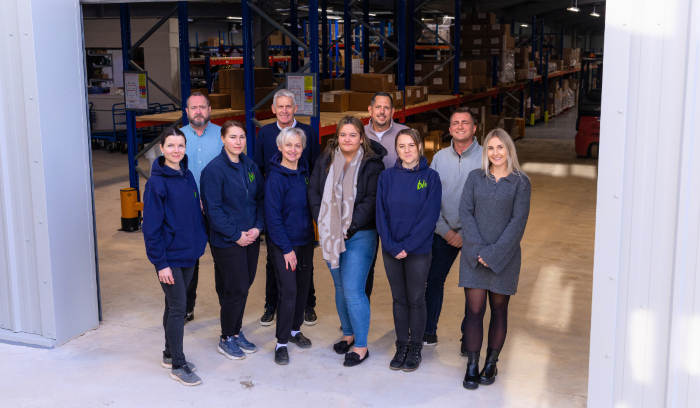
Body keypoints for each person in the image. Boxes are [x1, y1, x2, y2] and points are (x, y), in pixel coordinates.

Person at [308, 116, 387, 367]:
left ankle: (361, 346)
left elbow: (371, 200)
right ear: (337, 137)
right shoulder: (326, 160)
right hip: (330, 233)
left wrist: (347, 226)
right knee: (340, 287)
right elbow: (314, 191)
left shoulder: (373, 164)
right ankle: (348, 334)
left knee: (353, 289)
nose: (347, 139)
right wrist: (323, 221)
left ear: (361, 138)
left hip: (360, 233)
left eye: (353, 135)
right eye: (343, 134)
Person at [459, 129, 531, 390]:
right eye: (491, 147)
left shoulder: (521, 182)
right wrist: (480, 250)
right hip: (474, 256)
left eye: (501, 147)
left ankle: (491, 363)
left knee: (499, 311)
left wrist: (493, 254)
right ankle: (472, 365)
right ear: (485, 151)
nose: (496, 153)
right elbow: (465, 212)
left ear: (509, 149)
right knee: (474, 311)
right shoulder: (475, 177)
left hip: (505, 258)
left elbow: (518, 223)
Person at [142, 128, 207, 386]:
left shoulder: (187, 175)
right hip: (169, 257)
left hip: (189, 252)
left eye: (180, 145)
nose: (176, 150)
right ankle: (179, 365)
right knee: (179, 306)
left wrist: (200, 238)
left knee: (172, 305)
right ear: (161, 148)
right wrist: (161, 263)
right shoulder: (156, 183)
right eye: (171, 145)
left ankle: (169, 354)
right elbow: (151, 228)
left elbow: (195, 212)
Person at [376, 129, 442, 372]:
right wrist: (392, 245)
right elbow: (380, 214)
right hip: (391, 249)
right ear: (396, 149)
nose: (406, 150)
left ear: (419, 147)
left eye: (411, 145)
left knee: (416, 299)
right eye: (401, 146)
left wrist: (407, 245)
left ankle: (415, 347)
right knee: (399, 299)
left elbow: (429, 217)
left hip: (418, 250)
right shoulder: (386, 177)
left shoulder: (431, 177)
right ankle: (401, 344)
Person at [254, 89, 321, 327]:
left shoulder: (308, 132)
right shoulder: (265, 133)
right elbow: (259, 168)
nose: (284, 111)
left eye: (288, 106)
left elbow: (315, 167)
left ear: (295, 108)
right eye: (280, 106)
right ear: (273, 109)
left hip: (301, 204)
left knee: (305, 263)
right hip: (276, 203)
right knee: (274, 261)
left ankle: (308, 305)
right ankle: (271, 304)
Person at [200, 120, 264, 361]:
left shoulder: (250, 165)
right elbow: (213, 211)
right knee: (236, 288)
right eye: (232, 137)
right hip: (227, 241)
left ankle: (236, 332)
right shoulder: (214, 170)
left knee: (243, 286)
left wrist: (257, 228)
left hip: (251, 237)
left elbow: (260, 200)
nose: (238, 142)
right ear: (223, 139)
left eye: (242, 137)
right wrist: (236, 235)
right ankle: (226, 337)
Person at [423, 107, 481, 348]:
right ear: (449, 129)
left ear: (474, 128)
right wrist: (445, 231)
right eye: (455, 123)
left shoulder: (486, 157)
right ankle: (428, 331)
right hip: (443, 231)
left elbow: (489, 203)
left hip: (475, 234)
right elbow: (431, 198)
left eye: (465, 122)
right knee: (433, 280)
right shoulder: (439, 158)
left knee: (474, 286)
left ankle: (469, 336)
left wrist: (465, 234)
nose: (460, 126)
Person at [264, 127, 316, 365]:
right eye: (288, 145)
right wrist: (286, 249)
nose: (293, 150)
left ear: (303, 148)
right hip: (284, 244)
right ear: (280, 147)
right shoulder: (275, 178)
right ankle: (281, 343)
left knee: (303, 289)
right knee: (289, 291)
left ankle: (295, 330)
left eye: (297, 145)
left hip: (306, 241)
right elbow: (273, 219)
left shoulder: (305, 172)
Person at [181, 92, 223, 324]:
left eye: (202, 107)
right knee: (189, 261)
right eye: (193, 107)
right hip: (188, 211)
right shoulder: (178, 137)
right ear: (187, 111)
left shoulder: (223, 135)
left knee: (223, 261)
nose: (198, 111)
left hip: (217, 210)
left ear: (209, 110)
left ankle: (227, 308)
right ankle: (186, 308)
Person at [363, 92, 409, 301]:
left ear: (393, 111)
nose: (382, 112)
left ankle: (405, 311)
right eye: (378, 107)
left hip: (397, 209)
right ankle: (361, 310)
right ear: (370, 109)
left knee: (401, 263)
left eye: (387, 108)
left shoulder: (405, 133)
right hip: (367, 208)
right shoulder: (358, 133)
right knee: (366, 264)